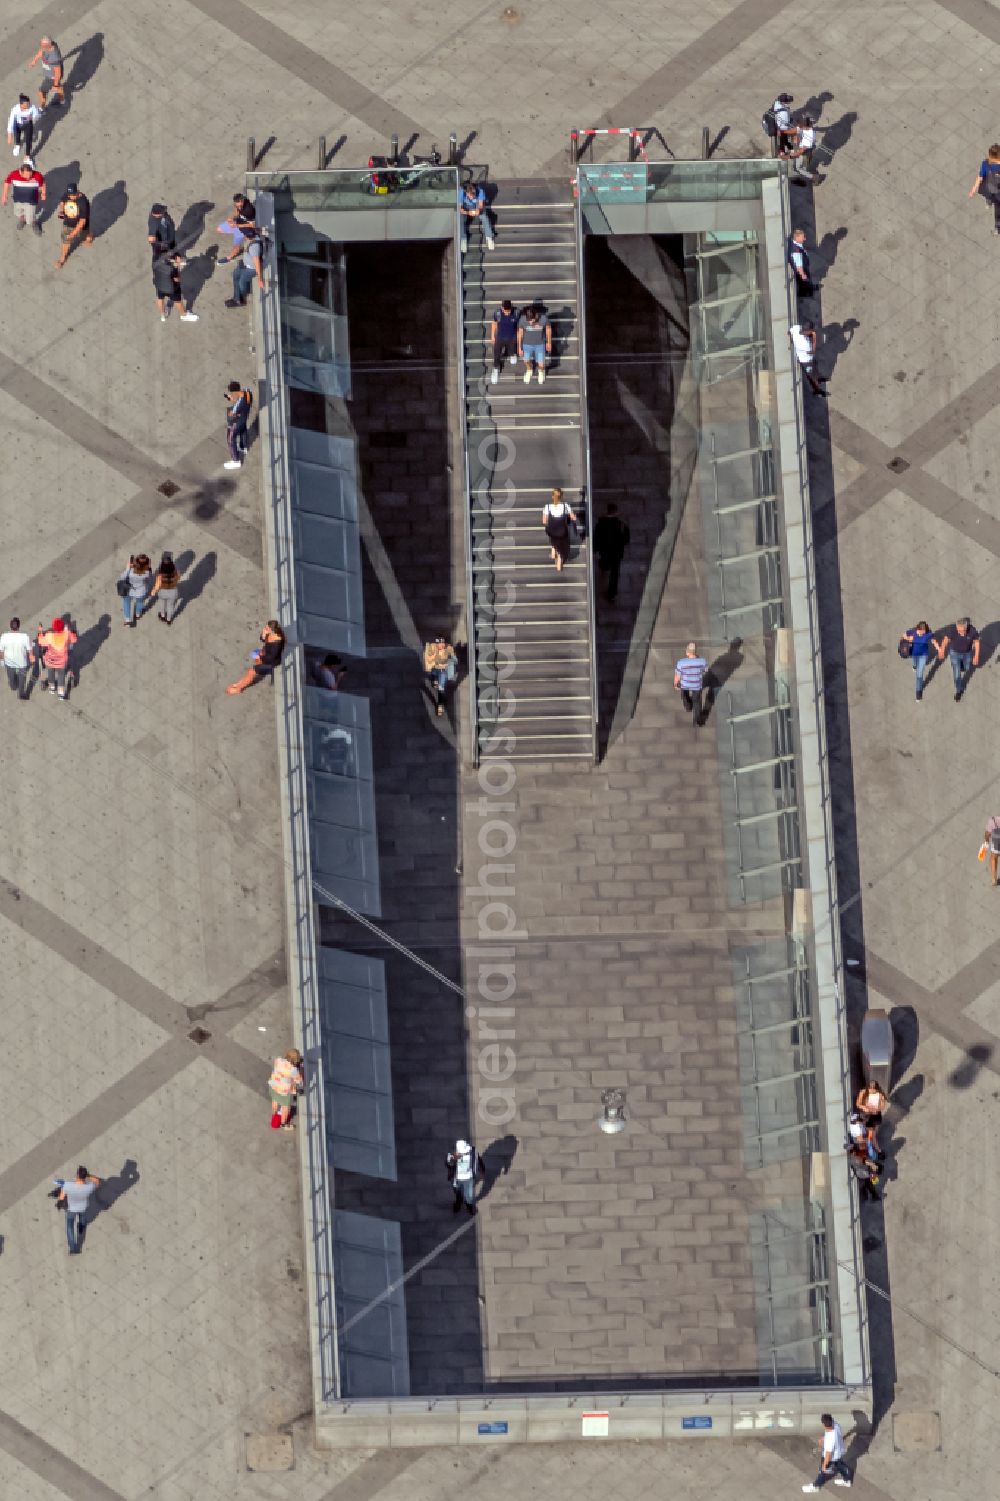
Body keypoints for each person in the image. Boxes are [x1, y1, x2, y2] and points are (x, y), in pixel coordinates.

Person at [226, 620, 286, 694]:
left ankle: (239, 688)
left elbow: (271, 658)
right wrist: (263, 635)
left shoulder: (277, 644)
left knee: (251, 671)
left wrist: (260, 657)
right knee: (253, 665)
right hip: (264, 655)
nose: (265, 629)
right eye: (266, 627)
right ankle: (239, 684)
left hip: (271, 662)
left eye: (267, 628)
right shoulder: (269, 633)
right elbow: (262, 639)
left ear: (272, 630)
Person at [801, 1412, 852, 1492]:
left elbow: (828, 1454)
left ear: (824, 1425)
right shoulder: (835, 1424)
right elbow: (832, 1434)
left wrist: (824, 1465)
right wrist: (824, 1438)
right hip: (839, 1452)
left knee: (822, 1471)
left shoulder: (830, 1440)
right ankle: (847, 1480)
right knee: (839, 1465)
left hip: (831, 1457)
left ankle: (816, 1486)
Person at [57, 1166, 101, 1254]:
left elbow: (61, 1198)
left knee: (69, 1226)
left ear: (77, 1175)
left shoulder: (67, 1185)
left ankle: (73, 1248)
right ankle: (81, 1227)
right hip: (83, 1207)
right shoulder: (90, 1187)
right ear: (85, 1176)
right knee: (82, 1218)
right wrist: (88, 1175)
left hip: (71, 1209)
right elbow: (97, 1181)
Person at [937, 616, 980, 701]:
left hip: (967, 653)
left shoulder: (972, 631)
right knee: (957, 673)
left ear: (966, 627)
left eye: (962, 630)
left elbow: (977, 642)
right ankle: (958, 691)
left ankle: (962, 666)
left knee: (967, 667)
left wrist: (976, 655)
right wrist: (941, 651)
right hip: (954, 653)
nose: (959, 632)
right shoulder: (953, 630)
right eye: (958, 630)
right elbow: (946, 640)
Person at [593, 503, 630, 601]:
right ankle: (611, 594)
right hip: (616, 553)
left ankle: (603, 566)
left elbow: (596, 538)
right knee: (614, 574)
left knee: (604, 563)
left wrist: (595, 550)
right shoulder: (622, 525)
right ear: (616, 512)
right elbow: (626, 539)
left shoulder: (600, 524)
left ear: (607, 511)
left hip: (604, 551)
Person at [152, 251, 199, 323]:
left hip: (159, 285)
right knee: (177, 301)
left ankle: (162, 315)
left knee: (160, 299)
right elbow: (177, 279)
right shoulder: (173, 268)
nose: (180, 259)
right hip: (171, 288)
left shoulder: (156, 260)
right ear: (175, 259)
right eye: (179, 258)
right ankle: (183, 315)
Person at [54, 183, 92, 268]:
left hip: (81, 226)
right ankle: (62, 258)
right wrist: (62, 210)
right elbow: (62, 201)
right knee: (66, 241)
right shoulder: (67, 194)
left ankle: (89, 236)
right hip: (68, 223)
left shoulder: (83, 202)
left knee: (84, 236)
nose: (71, 197)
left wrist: (73, 234)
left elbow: (82, 221)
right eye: (69, 195)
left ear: (77, 192)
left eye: (73, 195)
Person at [2, 157, 45, 232]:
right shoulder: (14, 174)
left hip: (31, 201)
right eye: (26, 176)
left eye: (30, 175)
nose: (29, 178)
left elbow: (42, 184)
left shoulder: (37, 175)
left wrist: (43, 193)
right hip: (18, 200)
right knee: (18, 213)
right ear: (20, 172)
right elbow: (7, 182)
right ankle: (22, 220)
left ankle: (34, 223)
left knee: (30, 218)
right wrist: (4, 196)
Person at [36, 616, 76, 697]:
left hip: (50, 661)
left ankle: (52, 688)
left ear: (54, 628)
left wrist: (40, 632)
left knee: (50, 674)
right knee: (61, 675)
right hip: (61, 662)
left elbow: (41, 641)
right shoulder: (66, 634)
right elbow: (74, 640)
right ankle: (61, 693)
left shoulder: (49, 636)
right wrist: (71, 631)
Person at [225, 232, 265, 307]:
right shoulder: (250, 239)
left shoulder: (254, 247)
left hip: (251, 268)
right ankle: (237, 298)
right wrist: (232, 255)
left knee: (241, 282)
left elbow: (257, 263)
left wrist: (260, 279)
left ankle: (241, 299)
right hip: (245, 263)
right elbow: (243, 248)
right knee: (235, 275)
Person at [542, 488, 577, 573]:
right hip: (562, 531)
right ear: (561, 496)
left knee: (553, 538)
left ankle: (554, 551)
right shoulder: (566, 506)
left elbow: (544, 521)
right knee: (562, 547)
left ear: (552, 496)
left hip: (552, 531)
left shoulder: (548, 507)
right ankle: (559, 561)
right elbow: (574, 518)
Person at [268, 1049, 304, 1130]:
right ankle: (284, 1124)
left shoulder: (278, 1060)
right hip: (283, 1091)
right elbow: (299, 1080)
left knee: (275, 1100)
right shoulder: (293, 1070)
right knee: (285, 1108)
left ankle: (274, 1113)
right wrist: (301, 1068)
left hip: (273, 1086)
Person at [968, 144, 1000, 234]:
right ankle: (998, 228)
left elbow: (980, 178)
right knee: (998, 212)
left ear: (990, 154)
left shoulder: (986, 164)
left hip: (989, 189)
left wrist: (973, 190)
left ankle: (989, 204)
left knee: (989, 197)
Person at [899, 619, 935, 701]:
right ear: (917, 629)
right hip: (914, 654)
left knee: (919, 675)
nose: (922, 633)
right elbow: (903, 636)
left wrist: (939, 649)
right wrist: (908, 639)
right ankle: (914, 666)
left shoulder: (928, 634)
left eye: (923, 631)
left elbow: (933, 641)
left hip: (923, 655)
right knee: (914, 662)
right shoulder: (912, 632)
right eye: (920, 631)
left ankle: (918, 692)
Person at [446, 1138, 482, 1216]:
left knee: (469, 1196)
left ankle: (469, 1206)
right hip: (457, 1178)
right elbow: (448, 1165)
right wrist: (453, 1159)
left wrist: (482, 1170)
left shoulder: (472, 1151)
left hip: (469, 1178)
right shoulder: (452, 1155)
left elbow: (478, 1159)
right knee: (458, 1193)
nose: (465, 1153)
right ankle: (458, 1203)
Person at [674, 641, 708, 723]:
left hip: (685, 684)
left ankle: (688, 707)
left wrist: (675, 684)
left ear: (687, 652)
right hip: (697, 685)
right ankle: (698, 720)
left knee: (685, 695)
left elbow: (678, 676)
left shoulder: (681, 662)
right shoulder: (702, 661)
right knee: (697, 702)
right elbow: (705, 670)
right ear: (695, 651)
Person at [518, 304, 552, 385]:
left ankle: (541, 372)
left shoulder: (543, 319)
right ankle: (529, 370)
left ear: (536, 315)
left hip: (540, 344)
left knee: (541, 363)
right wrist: (519, 347)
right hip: (527, 344)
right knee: (526, 361)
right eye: (528, 320)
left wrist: (549, 342)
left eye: (532, 320)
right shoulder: (522, 320)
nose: (530, 322)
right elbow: (520, 332)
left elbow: (548, 329)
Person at [790, 320, 827, 396]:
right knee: (812, 376)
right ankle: (817, 391)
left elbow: (789, 332)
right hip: (806, 361)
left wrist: (791, 342)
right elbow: (813, 351)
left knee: (815, 369)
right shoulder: (806, 345)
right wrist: (814, 335)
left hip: (809, 359)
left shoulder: (796, 328)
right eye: (810, 331)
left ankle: (819, 378)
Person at [0, 615, 34, 697]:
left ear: (10, 626)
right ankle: (21, 694)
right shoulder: (25, 637)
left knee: (11, 676)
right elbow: (30, 651)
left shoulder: (4, 636)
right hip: (21, 662)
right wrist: (32, 659)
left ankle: (13, 686)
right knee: (22, 679)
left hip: (9, 661)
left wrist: (1, 661)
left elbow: (1, 651)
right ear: (19, 626)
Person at [424, 636, 457, 717]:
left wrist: (449, 661)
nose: (441, 645)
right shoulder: (432, 647)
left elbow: (455, 660)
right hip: (434, 668)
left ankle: (440, 705)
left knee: (441, 687)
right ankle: (434, 680)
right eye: (439, 643)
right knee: (432, 674)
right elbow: (427, 660)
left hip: (443, 670)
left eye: (442, 643)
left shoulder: (448, 648)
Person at [223, 380, 253, 469]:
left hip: (237, 421)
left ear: (235, 391)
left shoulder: (240, 402)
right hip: (244, 417)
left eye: (232, 393)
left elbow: (233, 412)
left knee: (230, 438)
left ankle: (235, 460)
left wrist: (231, 413)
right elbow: (240, 399)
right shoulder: (247, 392)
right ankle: (243, 446)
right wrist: (231, 397)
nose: (231, 395)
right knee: (243, 429)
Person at [118, 553, 153, 627]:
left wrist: (127, 567)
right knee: (140, 602)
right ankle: (137, 614)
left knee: (126, 603)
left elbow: (122, 577)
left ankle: (128, 620)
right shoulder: (147, 572)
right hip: (141, 591)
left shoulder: (130, 571)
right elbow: (150, 579)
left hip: (129, 590)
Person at [458, 181, 494, 253]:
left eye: (473, 195)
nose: (472, 197)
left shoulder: (480, 191)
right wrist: (468, 212)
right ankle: (463, 239)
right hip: (466, 208)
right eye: (470, 195)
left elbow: (480, 205)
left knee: (484, 217)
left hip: (476, 206)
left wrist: (478, 210)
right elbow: (459, 208)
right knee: (460, 220)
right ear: (467, 193)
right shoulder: (461, 192)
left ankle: (489, 238)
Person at [29, 37, 64, 110]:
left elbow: (58, 72)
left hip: (51, 77)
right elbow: (41, 52)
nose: (41, 47)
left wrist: (55, 84)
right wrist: (34, 61)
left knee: (41, 92)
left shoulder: (54, 57)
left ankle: (42, 108)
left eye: (42, 46)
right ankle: (62, 99)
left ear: (47, 46)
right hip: (50, 75)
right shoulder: (50, 46)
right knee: (58, 88)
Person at [217, 193, 256, 259]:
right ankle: (243, 237)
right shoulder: (237, 204)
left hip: (245, 227)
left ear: (242, 201)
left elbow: (252, 225)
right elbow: (237, 211)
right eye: (237, 206)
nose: (239, 207)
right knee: (219, 229)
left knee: (236, 247)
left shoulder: (249, 210)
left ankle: (229, 257)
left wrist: (237, 226)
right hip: (237, 223)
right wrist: (232, 218)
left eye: (240, 206)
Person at [490, 298, 519, 383]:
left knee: (512, 352)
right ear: (502, 308)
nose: (507, 313)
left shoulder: (517, 313)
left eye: (508, 311)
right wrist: (492, 336)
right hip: (500, 337)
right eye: (505, 311)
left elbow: (519, 324)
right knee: (497, 354)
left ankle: (512, 354)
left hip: (512, 337)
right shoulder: (497, 313)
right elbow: (494, 324)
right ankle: (495, 369)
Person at [150, 552, 182, 623]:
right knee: (170, 606)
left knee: (162, 604)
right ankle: (169, 619)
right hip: (173, 591)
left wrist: (153, 592)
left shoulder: (160, 575)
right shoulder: (176, 573)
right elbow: (178, 578)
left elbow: (157, 585)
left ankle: (162, 615)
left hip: (163, 591)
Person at [7, 94, 41, 158]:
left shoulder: (32, 107)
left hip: (28, 124)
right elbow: (11, 121)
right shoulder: (15, 109)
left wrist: (32, 117)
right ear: (21, 104)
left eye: (29, 104)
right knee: (17, 135)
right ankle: (17, 145)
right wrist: (9, 134)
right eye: (27, 105)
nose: (28, 105)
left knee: (29, 140)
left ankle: (27, 155)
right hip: (18, 124)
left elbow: (37, 115)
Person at [783, 116, 817, 180]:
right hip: (798, 148)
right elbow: (795, 130)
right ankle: (798, 173)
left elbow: (801, 151)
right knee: (795, 164)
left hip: (804, 152)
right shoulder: (804, 128)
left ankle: (813, 177)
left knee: (799, 167)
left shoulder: (810, 136)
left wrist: (790, 155)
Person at [787, 228, 814, 296]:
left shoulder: (795, 244)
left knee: (804, 281)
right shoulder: (796, 251)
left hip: (803, 267)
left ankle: (806, 290)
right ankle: (806, 293)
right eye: (803, 237)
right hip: (802, 270)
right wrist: (802, 274)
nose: (804, 239)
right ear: (797, 237)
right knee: (804, 282)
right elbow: (799, 265)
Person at [981, 813, 1000, 887]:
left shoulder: (993, 821)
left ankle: (994, 879)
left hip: (996, 844)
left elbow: (987, 834)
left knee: (993, 858)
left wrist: (986, 841)